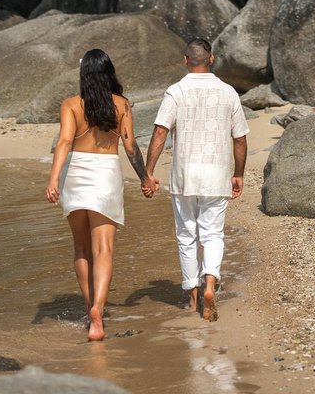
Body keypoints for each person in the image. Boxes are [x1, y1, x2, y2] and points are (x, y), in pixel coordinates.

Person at [45, 48, 157, 340]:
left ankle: (89, 308)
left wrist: (53, 179)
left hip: (75, 176)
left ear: (83, 74)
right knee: (103, 249)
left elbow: (65, 141)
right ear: (109, 73)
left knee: (81, 249)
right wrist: (146, 178)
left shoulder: (70, 104)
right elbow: (131, 147)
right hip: (105, 175)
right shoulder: (122, 104)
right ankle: (99, 309)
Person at [145, 37, 249, 322]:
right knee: (213, 234)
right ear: (211, 59)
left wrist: (148, 172)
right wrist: (238, 173)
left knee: (186, 236)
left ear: (185, 61)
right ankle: (211, 285)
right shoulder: (228, 92)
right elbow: (239, 138)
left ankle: (192, 297)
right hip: (217, 175)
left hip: (184, 176)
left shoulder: (176, 91)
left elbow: (160, 132)